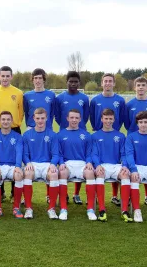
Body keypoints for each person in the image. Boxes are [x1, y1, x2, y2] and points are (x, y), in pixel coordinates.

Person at [90, 73, 126, 206]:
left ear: (114, 83)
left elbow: (122, 117)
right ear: (102, 83)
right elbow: (92, 117)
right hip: (99, 134)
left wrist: (115, 130)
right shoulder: (95, 100)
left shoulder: (120, 100)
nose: (108, 83)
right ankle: (99, 201)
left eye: (110, 81)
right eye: (105, 81)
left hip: (115, 134)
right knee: (101, 160)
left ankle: (115, 196)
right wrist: (96, 128)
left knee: (115, 161)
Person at [124, 76, 147, 208]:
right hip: (133, 139)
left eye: (143, 85)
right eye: (138, 85)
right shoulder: (129, 104)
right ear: (134, 87)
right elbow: (127, 123)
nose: (140, 87)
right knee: (131, 165)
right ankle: (129, 196)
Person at [55, 71, 89, 204]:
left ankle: (76, 193)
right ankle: (65, 194)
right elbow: (57, 116)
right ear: (67, 82)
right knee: (64, 163)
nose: (73, 84)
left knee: (79, 159)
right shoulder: (60, 98)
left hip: (80, 131)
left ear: (79, 83)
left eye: (76, 81)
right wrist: (65, 126)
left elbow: (85, 116)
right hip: (65, 131)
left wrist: (79, 126)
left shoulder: (84, 98)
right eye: (71, 81)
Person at [91, 109, 132, 222]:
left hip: (116, 166)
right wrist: (98, 165)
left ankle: (124, 210)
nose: (108, 121)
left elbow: (124, 154)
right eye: (106, 118)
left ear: (114, 119)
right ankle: (102, 210)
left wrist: (124, 165)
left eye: (110, 119)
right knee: (99, 175)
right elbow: (94, 154)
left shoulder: (120, 136)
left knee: (125, 175)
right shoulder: (95, 136)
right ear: (101, 119)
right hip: (102, 165)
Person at [0, 66, 24, 200]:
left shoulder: (19, 93)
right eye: (2, 76)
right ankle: (1, 192)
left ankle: (15, 193)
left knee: (16, 157)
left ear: (11, 76)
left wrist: (15, 122)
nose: (5, 78)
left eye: (7, 76)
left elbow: (21, 112)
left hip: (14, 128)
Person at [58, 109, 96, 221]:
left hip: (82, 164)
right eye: (72, 117)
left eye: (76, 118)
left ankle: (90, 209)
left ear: (80, 119)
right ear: (67, 118)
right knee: (62, 173)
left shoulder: (86, 135)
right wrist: (61, 163)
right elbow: (58, 153)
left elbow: (89, 153)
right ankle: (63, 209)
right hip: (67, 164)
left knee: (90, 173)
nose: (74, 120)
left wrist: (89, 162)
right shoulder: (60, 135)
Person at [22, 108, 59, 219]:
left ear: (46, 118)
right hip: (32, 164)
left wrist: (53, 164)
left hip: (47, 164)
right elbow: (25, 154)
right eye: (38, 118)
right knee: (27, 174)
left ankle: (51, 209)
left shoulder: (52, 135)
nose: (40, 121)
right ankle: (28, 208)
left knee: (54, 175)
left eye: (42, 118)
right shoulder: (27, 134)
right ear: (33, 118)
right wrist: (27, 162)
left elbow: (56, 154)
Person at [0, 111, 24, 219]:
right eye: (3, 119)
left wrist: (18, 166)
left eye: (8, 119)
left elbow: (19, 152)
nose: (6, 122)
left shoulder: (18, 136)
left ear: (12, 121)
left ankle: (16, 207)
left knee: (18, 175)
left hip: (13, 165)